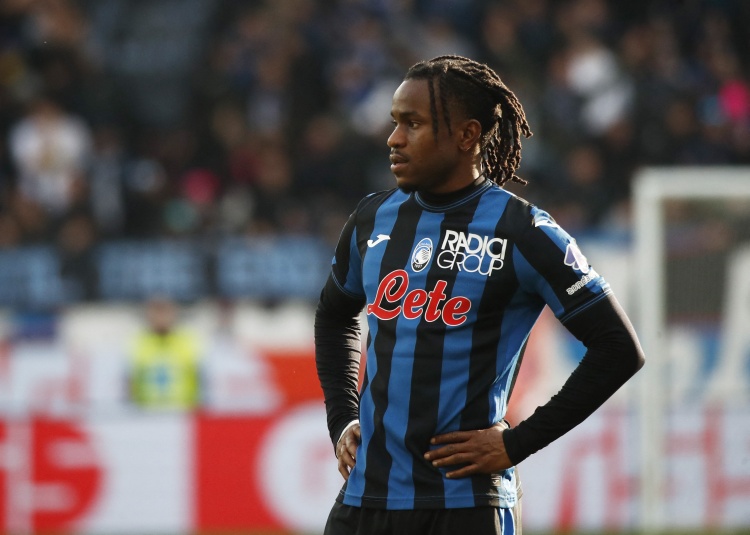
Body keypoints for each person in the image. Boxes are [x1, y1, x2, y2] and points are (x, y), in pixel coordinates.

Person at [314, 55, 645, 535]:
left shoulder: (523, 231)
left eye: (413, 123)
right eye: (395, 122)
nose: (394, 138)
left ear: (467, 135)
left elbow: (618, 348)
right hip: (365, 500)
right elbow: (334, 315)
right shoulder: (372, 219)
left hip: (465, 505)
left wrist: (517, 443)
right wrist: (343, 417)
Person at [128, 297, 203, 410]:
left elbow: (200, 381)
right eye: (156, 311)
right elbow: (131, 384)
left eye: (165, 312)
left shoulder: (189, 343)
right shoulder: (138, 343)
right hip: (146, 413)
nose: (161, 317)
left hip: (181, 412)